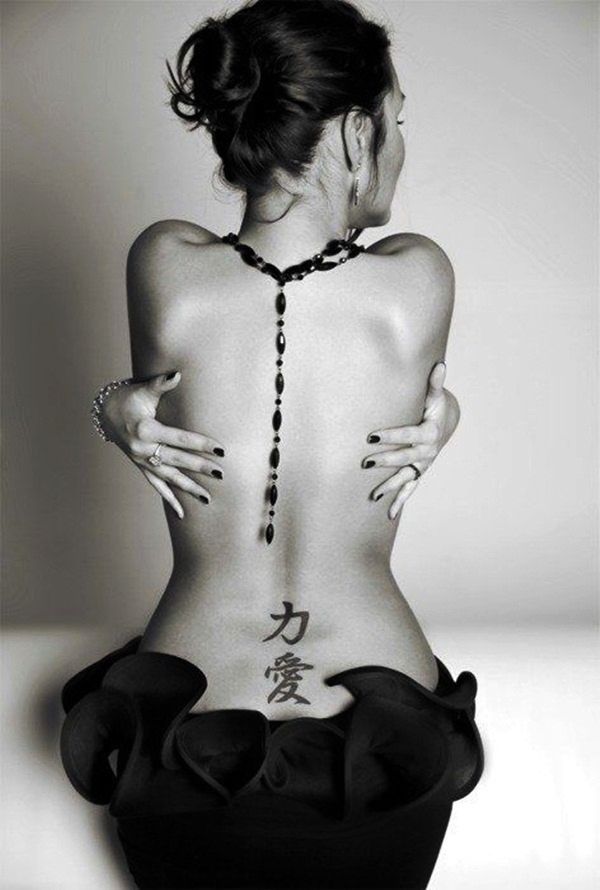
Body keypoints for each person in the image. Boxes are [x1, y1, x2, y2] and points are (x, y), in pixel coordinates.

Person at [60, 1, 484, 888]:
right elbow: (388, 382)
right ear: (358, 130)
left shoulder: (164, 263)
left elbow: (186, 382)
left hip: (184, 749)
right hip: (379, 753)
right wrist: (452, 414)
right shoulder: (419, 277)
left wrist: (110, 407)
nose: (400, 146)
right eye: (398, 120)